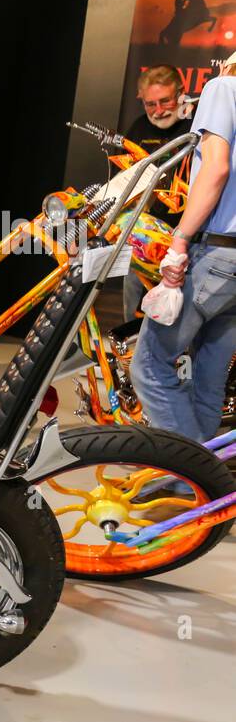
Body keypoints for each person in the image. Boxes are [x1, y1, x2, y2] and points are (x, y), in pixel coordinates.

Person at [130, 53, 236, 442]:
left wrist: (179, 240)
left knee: (150, 366)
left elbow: (216, 168)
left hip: (217, 253)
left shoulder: (223, 88)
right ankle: (204, 489)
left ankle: (193, 477)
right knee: (207, 381)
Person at [123, 65, 192, 318]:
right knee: (134, 308)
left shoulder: (198, 127)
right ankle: (130, 355)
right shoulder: (137, 130)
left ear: (181, 94)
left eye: (165, 101)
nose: (159, 110)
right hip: (143, 237)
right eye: (151, 104)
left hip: (186, 238)